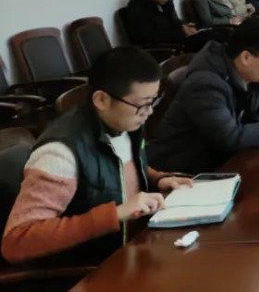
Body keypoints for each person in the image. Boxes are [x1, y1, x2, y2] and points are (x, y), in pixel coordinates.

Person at [2, 47, 193, 265]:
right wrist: (115, 214)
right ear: (102, 100)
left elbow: (116, 167)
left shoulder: (123, 122)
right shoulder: (59, 153)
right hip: (95, 268)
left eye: (153, 102)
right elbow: (17, 241)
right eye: (142, 104)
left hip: (136, 246)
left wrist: (157, 179)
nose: (149, 112)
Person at [148, 19, 259, 174]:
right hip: (179, 174)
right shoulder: (205, 84)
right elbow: (230, 139)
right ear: (246, 57)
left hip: (220, 164)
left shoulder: (245, 74)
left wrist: (257, 126)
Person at [124, 0, 209, 50]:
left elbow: (175, 22)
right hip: (163, 47)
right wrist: (181, 33)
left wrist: (184, 27)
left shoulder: (163, 4)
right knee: (207, 40)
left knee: (209, 35)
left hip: (175, 39)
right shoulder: (139, 6)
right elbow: (147, 36)